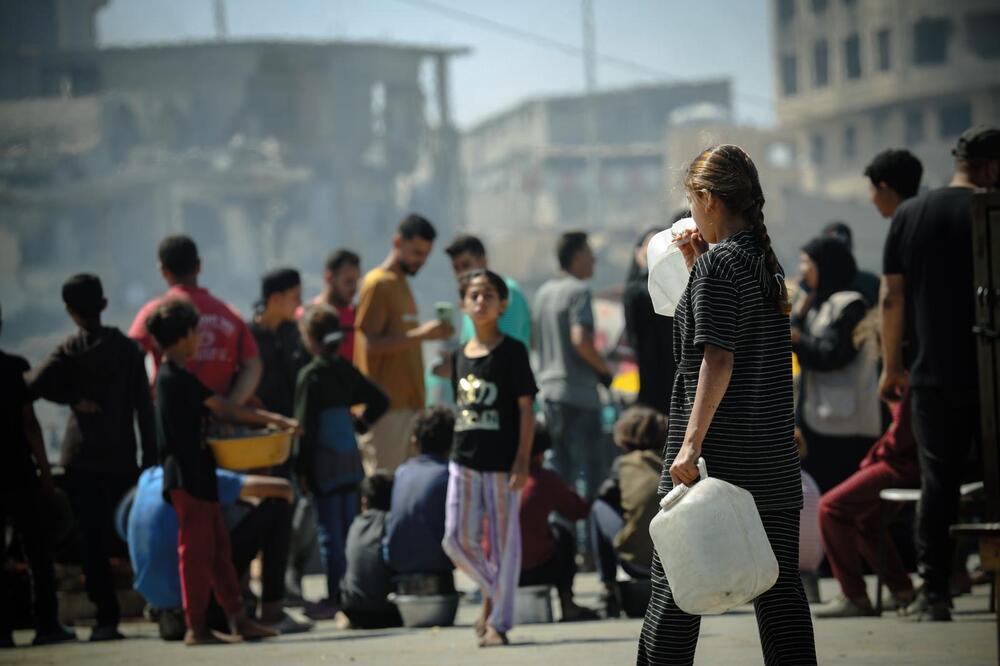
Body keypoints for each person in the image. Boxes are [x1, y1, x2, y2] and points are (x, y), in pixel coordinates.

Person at [637, 145, 816, 665]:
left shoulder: (720, 267)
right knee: (780, 598)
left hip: (718, 461)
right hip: (772, 462)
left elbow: (718, 359)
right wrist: (697, 268)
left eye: (692, 202)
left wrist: (689, 448)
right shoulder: (762, 265)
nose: (690, 214)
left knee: (673, 596)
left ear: (708, 199)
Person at [880, 125, 1000, 621]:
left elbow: (892, 298)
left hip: (932, 374)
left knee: (938, 482)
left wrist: (891, 366)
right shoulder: (992, 209)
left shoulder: (910, 214)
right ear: (992, 167)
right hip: (991, 371)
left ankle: (934, 594)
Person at [810, 148, 925, 619]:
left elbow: (904, 436)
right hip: (897, 454)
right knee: (859, 511)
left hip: (902, 459)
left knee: (834, 508)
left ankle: (856, 595)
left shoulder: (904, 367)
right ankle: (899, 590)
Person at [145, 298, 296, 645]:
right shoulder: (173, 377)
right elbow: (225, 409)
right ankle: (195, 626)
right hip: (186, 476)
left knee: (218, 552)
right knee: (196, 553)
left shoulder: (177, 376)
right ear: (184, 336)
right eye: (196, 332)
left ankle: (238, 618)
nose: (199, 339)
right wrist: (277, 420)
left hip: (200, 474)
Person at [27, 274, 155, 641]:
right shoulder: (129, 351)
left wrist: (71, 399)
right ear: (104, 304)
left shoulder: (69, 350)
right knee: (131, 535)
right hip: (120, 457)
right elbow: (144, 411)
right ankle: (154, 602)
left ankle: (105, 619)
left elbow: (32, 386)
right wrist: (150, 460)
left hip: (80, 458)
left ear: (70, 311)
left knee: (90, 541)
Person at [442, 269, 537, 648]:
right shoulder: (458, 356)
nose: (480, 301)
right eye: (473, 295)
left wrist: (522, 460)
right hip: (462, 460)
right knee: (454, 538)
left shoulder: (513, 351)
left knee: (503, 545)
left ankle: (498, 621)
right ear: (463, 304)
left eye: (488, 295)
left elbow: (526, 411)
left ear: (502, 304)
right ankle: (497, 593)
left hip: (501, 464)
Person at [125, 466, 304, 639]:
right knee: (206, 546)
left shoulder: (147, 479)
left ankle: (228, 617)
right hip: (191, 595)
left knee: (215, 543)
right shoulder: (196, 475)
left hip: (157, 600)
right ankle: (263, 614)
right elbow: (283, 489)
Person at [295, 305, 390, 620]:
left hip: (323, 463)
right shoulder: (345, 370)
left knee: (329, 534)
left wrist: (302, 469)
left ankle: (335, 595)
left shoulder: (311, 375)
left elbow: (304, 429)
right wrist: (360, 425)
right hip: (350, 460)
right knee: (350, 529)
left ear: (310, 339)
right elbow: (380, 400)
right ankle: (354, 591)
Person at [0, 304, 76, 648]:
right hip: (18, 472)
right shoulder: (15, 369)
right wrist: (46, 474)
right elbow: (30, 426)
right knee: (37, 554)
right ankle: (47, 625)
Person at [354, 214, 453, 473]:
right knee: (384, 489)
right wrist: (422, 335)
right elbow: (370, 345)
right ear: (397, 242)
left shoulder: (402, 285)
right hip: (386, 411)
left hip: (411, 408)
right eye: (416, 252)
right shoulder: (378, 284)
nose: (420, 260)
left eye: (425, 255)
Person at [792, 236, 882, 493]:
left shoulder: (850, 305)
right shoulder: (819, 305)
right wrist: (799, 312)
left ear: (825, 266)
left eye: (807, 263)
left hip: (845, 427)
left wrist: (798, 339)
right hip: (822, 421)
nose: (802, 271)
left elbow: (833, 355)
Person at [533, 231, 614, 507]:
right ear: (577, 256)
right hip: (579, 396)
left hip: (549, 395)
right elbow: (581, 340)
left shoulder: (543, 294)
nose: (593, 259)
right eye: (590, 253)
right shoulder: (579, 292)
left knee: (559, 473)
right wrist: (604, 371)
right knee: (589, 479)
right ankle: (586, 544)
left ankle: (561, 540)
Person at [129, 235, 261, 402]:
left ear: (163, 270)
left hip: (171, 417)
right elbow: (252, 365)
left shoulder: (155, 312)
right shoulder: (229, 313)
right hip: (222, 423)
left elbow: (128, 358)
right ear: (199, 266)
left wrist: (147, 403)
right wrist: (232, 405)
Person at [591, 406, 665, 617]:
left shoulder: (624, 464)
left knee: (598, 508)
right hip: (676, 559)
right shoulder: (674, 461)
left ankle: (608, 586)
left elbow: (604, 495)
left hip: (637, 562)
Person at [518, 424, 597, 622]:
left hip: (499, 570)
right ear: (540, 454)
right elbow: (579, 510)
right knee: (563, 534)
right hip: (534, 569)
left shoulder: (499, 478)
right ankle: (567, 603)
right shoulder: (543, 478)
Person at [385, 407, 455, 584]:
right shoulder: (449, 476)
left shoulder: (402, 472)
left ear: (415, 441)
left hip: (397, 564)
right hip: (437, 567)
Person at [623, 223, 678, 414]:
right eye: (650, 245)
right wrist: (648, 268)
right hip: (651, 379)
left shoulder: (679, 287)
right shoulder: (635, 292)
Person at [339, 471, 403, 629]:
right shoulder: (390, 522)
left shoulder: (355, 524)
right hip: (388, 612)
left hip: (353, 610)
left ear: (364, 500)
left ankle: (344, 618)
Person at [444, 234, 532, 347]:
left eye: (466, 265)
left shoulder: (507, 291)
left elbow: (510, 347)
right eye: (456, 268)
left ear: (483, 261)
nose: (461, 273)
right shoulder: (469, 299)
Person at [249, 268, 308, 421]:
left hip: (295, 426)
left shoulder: (297, 334)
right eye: (295, 297)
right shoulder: (248, 337)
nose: (300, 303)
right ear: (275, 298)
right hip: (260, 427)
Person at [309, 249, 362, 363]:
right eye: (348, 281)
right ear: (329, 278)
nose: (354, 288)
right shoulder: (307, 316)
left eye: (356, 282)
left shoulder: (359, 316)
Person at [820, 222, 880, 308]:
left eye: (842, 252)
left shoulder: (872, 283)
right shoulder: (810, 286)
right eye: (831, 252)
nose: (837, 257)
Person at [864, 148, 924, 219]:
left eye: (872, 189)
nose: (871, 199)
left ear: (884, 190)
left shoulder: (904, 226)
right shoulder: (926, 220)